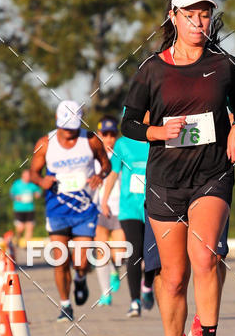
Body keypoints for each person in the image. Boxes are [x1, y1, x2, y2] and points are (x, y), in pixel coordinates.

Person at [121, 0, 235, 336]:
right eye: (190, 14)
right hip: (165, 182)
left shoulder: (224, 64)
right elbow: (128, 123)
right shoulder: (151, 70)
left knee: (207, 256)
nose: (199, 21)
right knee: (173, 277)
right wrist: (157, 132)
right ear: (173, 18)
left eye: (205, 13)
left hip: (211, 174)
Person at [144, 99, 235, 336]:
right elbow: (138, 119)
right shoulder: (156, 73)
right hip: (165, 184)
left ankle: (204, 331)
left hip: (209, 180)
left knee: (212, 257)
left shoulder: (217, 68)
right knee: (167, 273)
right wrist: (165, 124)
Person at [29, 100, 111, 322]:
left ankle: (81, 277)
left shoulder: (91, 140)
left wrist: (99, 175)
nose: (70, 132)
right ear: (58, 122)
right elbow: (34, 173)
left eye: (74, 126)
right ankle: (66, 305)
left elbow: (106, 165)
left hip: (84, 208)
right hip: (57, 209)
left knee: (81, 260)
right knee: (60, 259)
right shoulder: (46, 143)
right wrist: (42, 181)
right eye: (66, 127)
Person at [100, 127, 155, 316]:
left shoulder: (157, 139)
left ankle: (147, 285)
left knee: (151, 253)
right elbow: (114, 173)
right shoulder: (122, 144)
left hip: (153, 206)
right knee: (135, 252)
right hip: (129, 208)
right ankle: (135, 301)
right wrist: (104, 200)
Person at [92, 117, 127, 307]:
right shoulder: (95, 157)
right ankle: (105, 293)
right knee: (101, 251)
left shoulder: (122, 155)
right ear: (100, 135)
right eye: (105, 135)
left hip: (119, 208)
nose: (109, 138)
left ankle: (115, 269)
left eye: (113, 135)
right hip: (99, 210)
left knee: (119, 252)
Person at [9, 169, 42, 247]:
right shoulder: (17, 184)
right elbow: (11, 194)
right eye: (26, 176)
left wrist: (38, 194)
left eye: (29, 176)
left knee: (30, 227)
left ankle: (27, 245)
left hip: (30, 209)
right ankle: (17, 239)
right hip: (19, 209)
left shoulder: (32, 185)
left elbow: (39, 191)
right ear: (22, 176)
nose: (27, 177)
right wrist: (15, 197)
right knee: (20, 227)